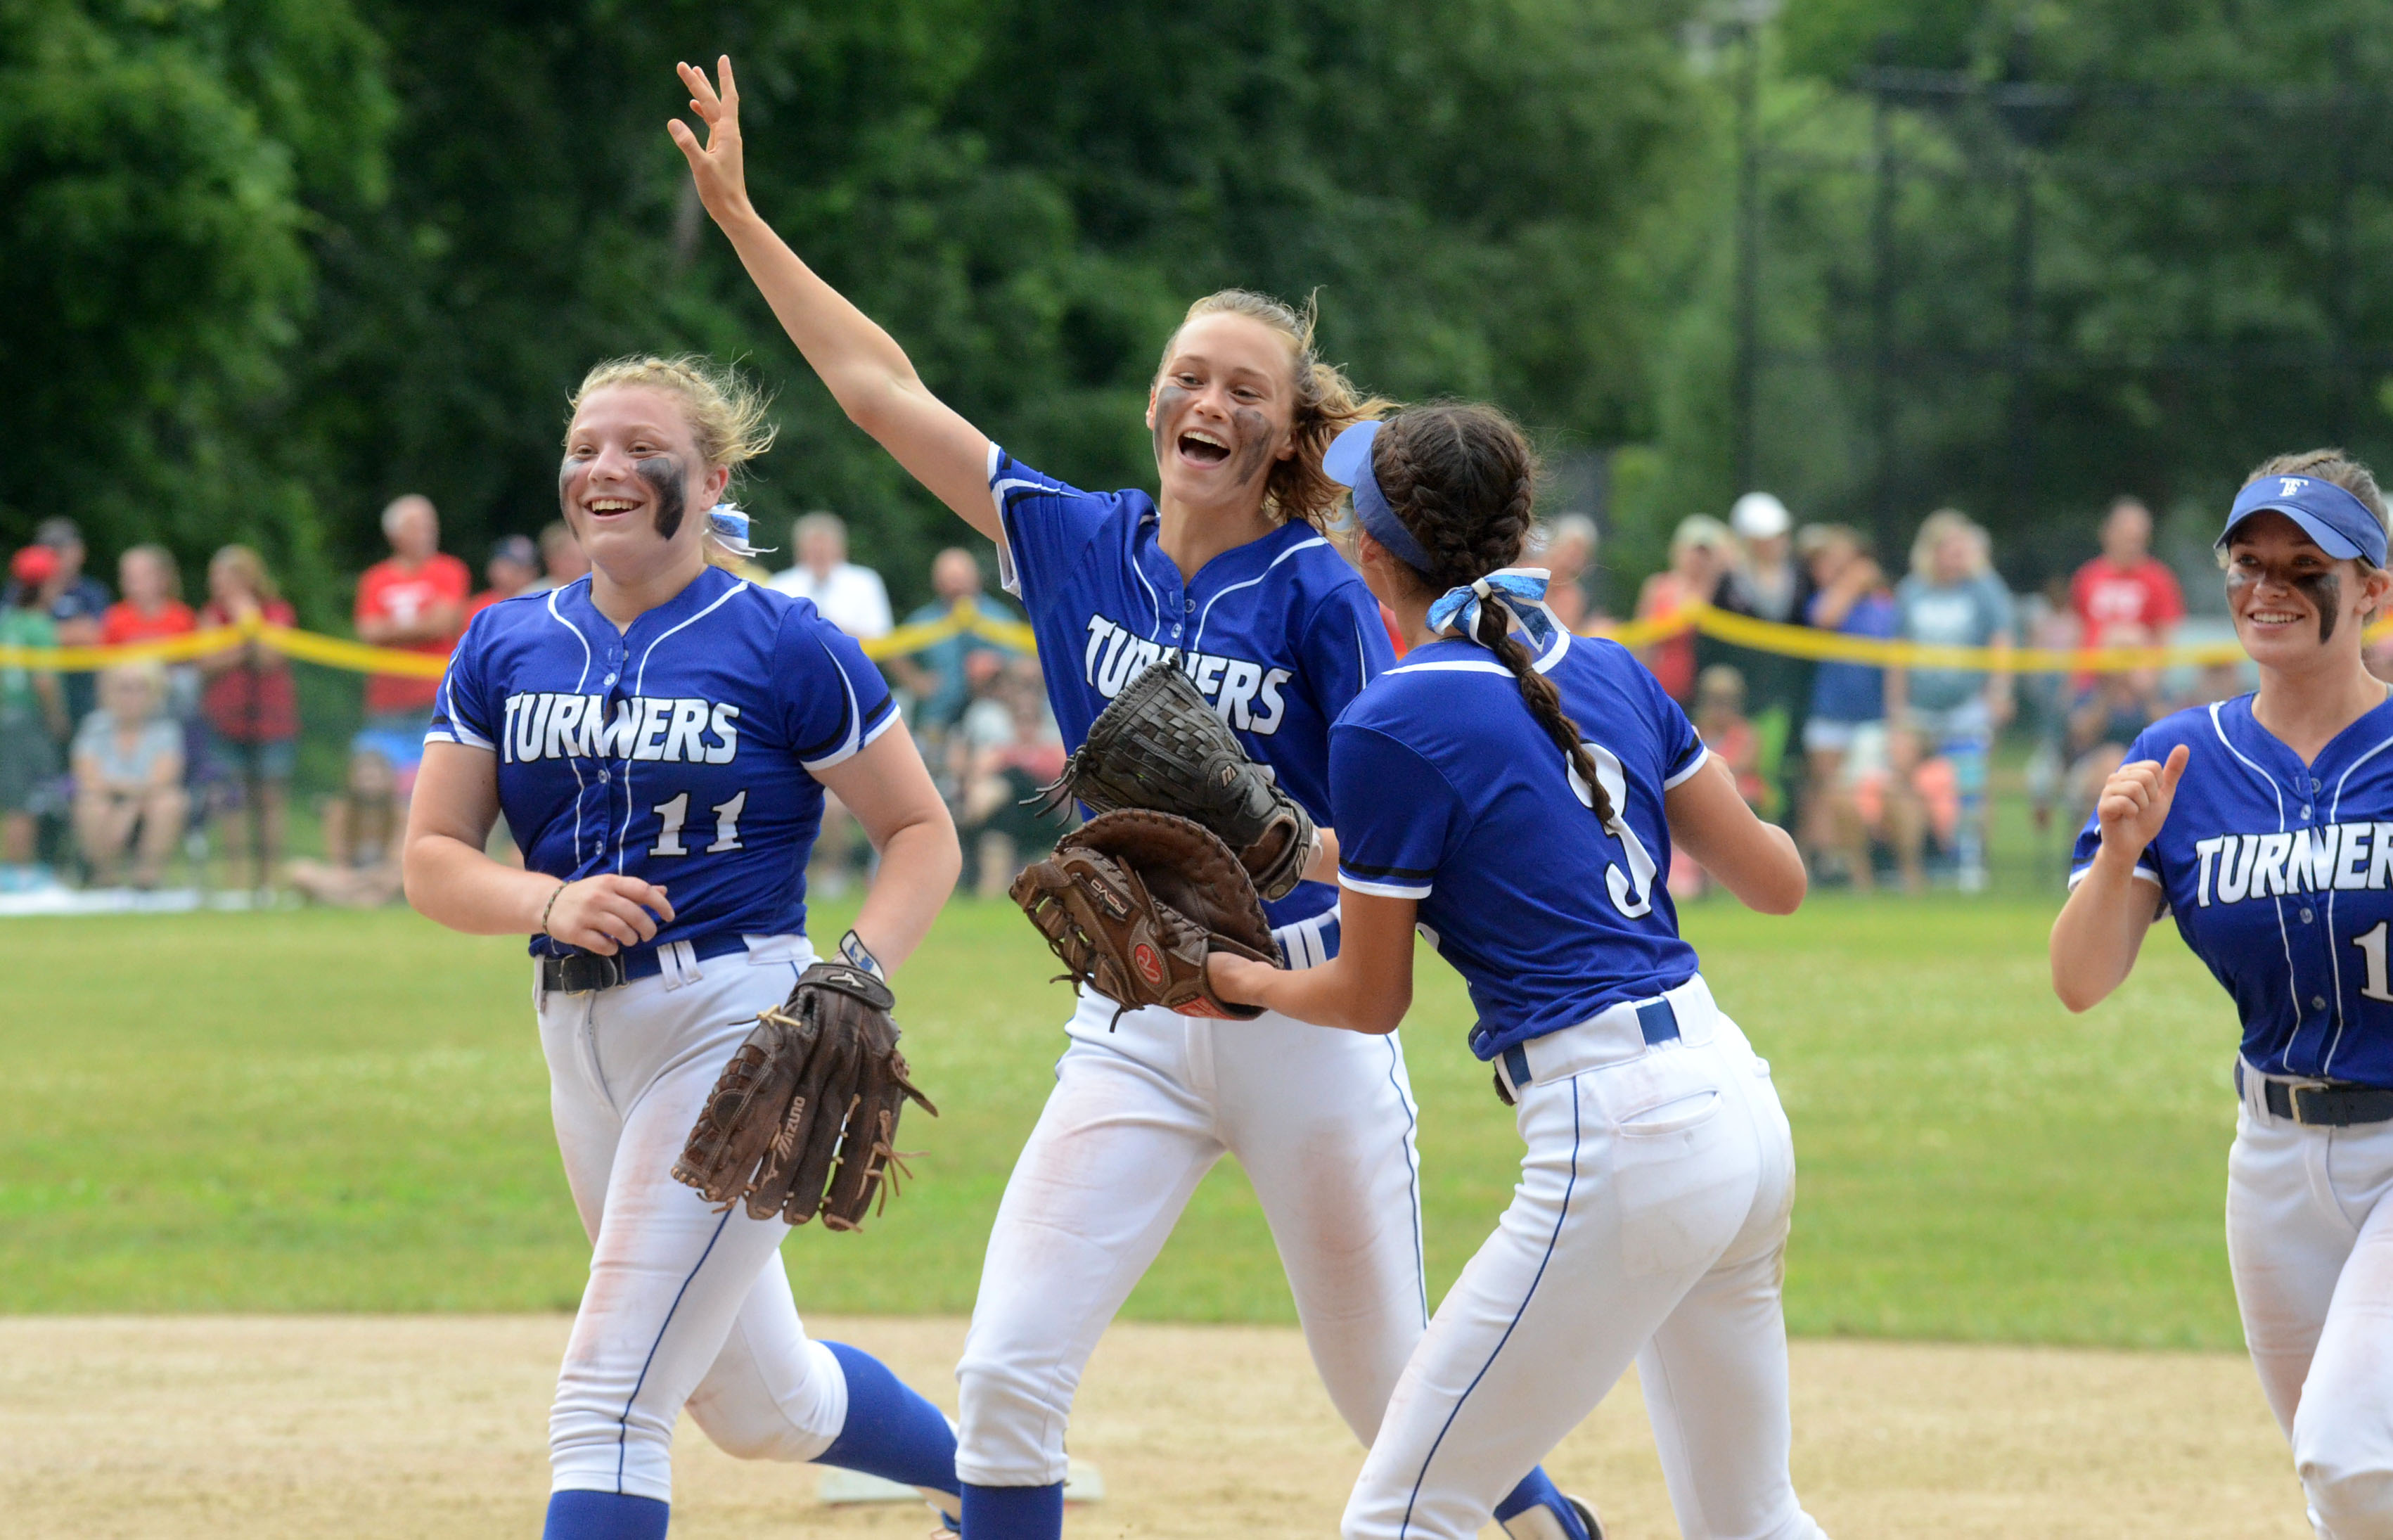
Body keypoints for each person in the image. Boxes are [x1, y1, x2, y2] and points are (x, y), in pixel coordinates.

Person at [669, 55, 1596, 1540]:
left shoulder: (1315, 591)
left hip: (1296, 1010)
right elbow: (874, 388)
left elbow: (1399, 839)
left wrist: (1288, 838)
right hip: (1134, 1008)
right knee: (1006, 1379)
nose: (1206, 399)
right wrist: (739, 213)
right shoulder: (1074, 542)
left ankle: (1548, 1523)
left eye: (1246, 389)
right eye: (1189, 374)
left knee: (1393, 1402)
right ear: (1155, 398)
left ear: (1287, 436)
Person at [1211, 402, 1820, 1540]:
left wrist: (1227, 978)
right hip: (1733, 1102)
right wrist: (1303, 847)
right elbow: (1775, 880)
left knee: (1400, 1515)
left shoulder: (1390, 717)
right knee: (1750, 1519)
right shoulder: (1608, 671)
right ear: (1520, 529)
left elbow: (1365, 995)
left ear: (1368, 557)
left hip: (1620, 1133)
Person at [400, 352, 967, 1540]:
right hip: (577, 1034)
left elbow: (919, 833)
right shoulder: (507, 642)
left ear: (709, 480)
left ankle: (992, 1487)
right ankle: (986, 1483)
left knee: (610, 1397)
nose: (602, 467)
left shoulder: (782, 641)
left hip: (735, 1021)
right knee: (764, 1406)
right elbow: (433, 862)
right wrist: (544, 903)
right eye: (584, 448)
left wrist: (853, 975)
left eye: (636, 448)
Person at [2051, 451, 2393, 1539]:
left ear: (2374, 589)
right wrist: (2117, 857)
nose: (2268, 587)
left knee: (2349, 1457)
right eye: (2248, 563)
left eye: (2305, 565)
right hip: (2273, 1161)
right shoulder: (2176, 758)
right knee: (2332, 1486)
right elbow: (2078, 979)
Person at [1887, 509, 2014, 892]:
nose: (1957, 557)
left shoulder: (1983, 588)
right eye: (1949, 548)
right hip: (1920, 709)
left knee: (1971, 785)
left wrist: (2000, 691)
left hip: (1965, 707)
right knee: (1902, 777)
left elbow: (2001, 642)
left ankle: (1972, 864)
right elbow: (1899, 653)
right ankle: (1911, 868)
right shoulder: (1913, 591)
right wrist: (1895, 710)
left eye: (1963, 549)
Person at [1795, 526, 1898, 890]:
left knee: (1864, 790)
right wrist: (1851, 583)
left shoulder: (1884, 607)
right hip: (1831, 711)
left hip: (1872, 715)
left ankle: (1863, 868)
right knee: (1825, 789)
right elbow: (1826, 617)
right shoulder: (1821, 600)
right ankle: (1817, 865)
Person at [195, 546, 301, 895]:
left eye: (225, 578)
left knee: (269, 801)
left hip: (272, 721)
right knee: (231, 801)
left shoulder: (276, 611)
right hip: (226, 721)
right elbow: (205, 661)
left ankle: (269, 882)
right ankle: (237, 882)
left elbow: (271, 656)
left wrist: (247, 620)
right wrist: (247, 643)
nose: (218, 585)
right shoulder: (211, 615)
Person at [354, 494, 470, 745]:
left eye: (430, 526)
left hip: (436, 694)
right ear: (394, 534)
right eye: (417, 527)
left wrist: (391, 630)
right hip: (387, 699)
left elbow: (443, 624)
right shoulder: (375, 579)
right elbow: (368, 632)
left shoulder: (449, 570)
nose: (427, 533)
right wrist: (423, 625)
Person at [71, 661, 188, 889]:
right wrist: (126, 797)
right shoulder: (94, 727)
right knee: (91, 804)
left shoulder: (166, 730)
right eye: (124, 688)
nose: (131, 697)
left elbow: (165, 777)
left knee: (169, 802)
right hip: (108, 799)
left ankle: (147, 879)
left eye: (139, 688)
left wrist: (129, 806)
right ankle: (104, 877)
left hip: (147, 802)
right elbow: (87, 775)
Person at [887, 546, 1021, 740]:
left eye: (960, 577)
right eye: (948, 578)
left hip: (988, 713)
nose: (955, 584)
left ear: (976, 578)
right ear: (937, 582)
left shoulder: (999, 616)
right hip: (935, 716)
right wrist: (916, 680)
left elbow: (1022, 663)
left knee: (989, 721)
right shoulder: (924, 620)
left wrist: (997, 669)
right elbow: (893, 654)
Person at [1, 546, 70, 887]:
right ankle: (23, 875)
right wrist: (58, 719)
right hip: (28, 720)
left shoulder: (7, 621)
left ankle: (17, 871)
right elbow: (44, 681)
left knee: (13, 797)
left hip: (4, 715)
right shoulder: (40, 626)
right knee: (24, 800)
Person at [3, 518, 111, 727]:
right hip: (32, 695)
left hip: (80, 683)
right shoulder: (21, 589)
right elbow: (12, 635)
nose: (54, 556)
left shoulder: (92, 592)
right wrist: (51, 636)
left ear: (79, 552)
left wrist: (39, 637)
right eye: (47, 550)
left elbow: (95, 636)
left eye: (61, 549)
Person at [286, 745, 406, 908]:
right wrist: (356, 880)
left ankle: (340, 900)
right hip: (350, 877)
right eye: (364, 778)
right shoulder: (340, 812)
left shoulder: (401, 815)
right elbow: (339, 862)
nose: (369, 785)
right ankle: (362, 901)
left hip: (382, 877)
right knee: (300, 872)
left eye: (374, 778)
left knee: (401, 879)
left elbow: (394, 863)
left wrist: (370, 878)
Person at [1636, 514, 1733, 706]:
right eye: (1694, 551)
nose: (1698, 559)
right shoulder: (1658, 587)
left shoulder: (1720, 590)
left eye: (1705, 553)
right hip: (1664, 685)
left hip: (1705, 692)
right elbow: (1643, 642)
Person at [2070, 496, 2185, 652]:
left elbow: (2165, 637)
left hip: (2137, 666)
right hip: (2094, 668)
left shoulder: (2159, 578)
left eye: (2137, 539)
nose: (2131, 546)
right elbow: (2076, 631)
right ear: (2108, 534)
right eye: (2126, 537)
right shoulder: (2087, 576)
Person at [767, 511, 892, 640]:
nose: (819, 554)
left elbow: (881, 637)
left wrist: (832, 632)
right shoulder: (780, 584)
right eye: (813, 549)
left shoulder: (865, 582)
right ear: (799, 550)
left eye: (825, 548)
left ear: (840, 548)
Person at [1537, 513, 1599, 631]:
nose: (1575, 558)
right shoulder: (1525, 574)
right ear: (1556, 543)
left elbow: (1565, 640)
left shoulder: (1573, 597)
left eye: (1582, 553)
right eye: (1573, 549)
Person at [468, 534, 541, 619]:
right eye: (513, 568)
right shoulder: (478, 609)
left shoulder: (545, 604)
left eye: (527, 569)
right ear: (494, 568)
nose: (521, 575)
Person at [523, 519, 590, 596]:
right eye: (571, 558)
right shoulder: (533, 595)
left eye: (584, 558)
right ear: (551, 559)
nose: (581, 565)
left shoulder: (595, 593)